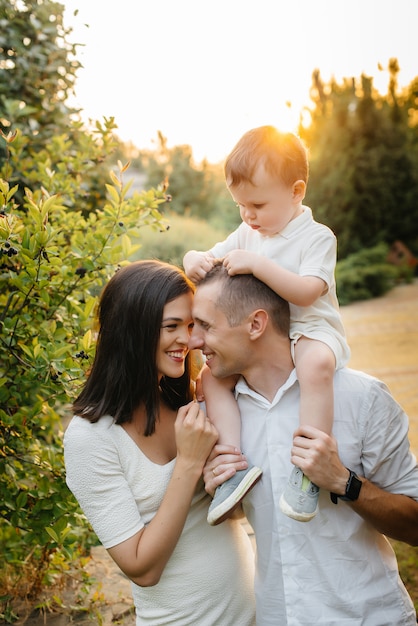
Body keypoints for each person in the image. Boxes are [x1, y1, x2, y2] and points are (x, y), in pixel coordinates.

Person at [189, 263, 418, 625]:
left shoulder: (361, 398)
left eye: (205, 326)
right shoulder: (214, 417)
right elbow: (241, 516)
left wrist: (345, 482)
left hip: (370, 617)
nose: (193, 341)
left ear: (255, 324)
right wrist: (220, 485)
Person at [64, 260, 256, 626]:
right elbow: (142, 568)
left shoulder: (187, 402)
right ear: (132, 331)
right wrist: (188, 463)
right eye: (172, 327)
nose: (190, 340)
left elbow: (233, 511)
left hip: (253, 611)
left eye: (191, 325)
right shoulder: (90, 438)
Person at [183, 125, 350, 525]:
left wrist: (259, 264)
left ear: (296, 192)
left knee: (315, 367)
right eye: (240, 205)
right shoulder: (247, 231)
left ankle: (308, 470)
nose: (248, 215)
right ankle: (233, 464)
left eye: (257, 204)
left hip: (311, 329)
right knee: (212, 378)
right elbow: (212, 257)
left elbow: (309, 291)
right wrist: (193, 257)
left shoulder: (316, 237)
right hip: (269, 337)